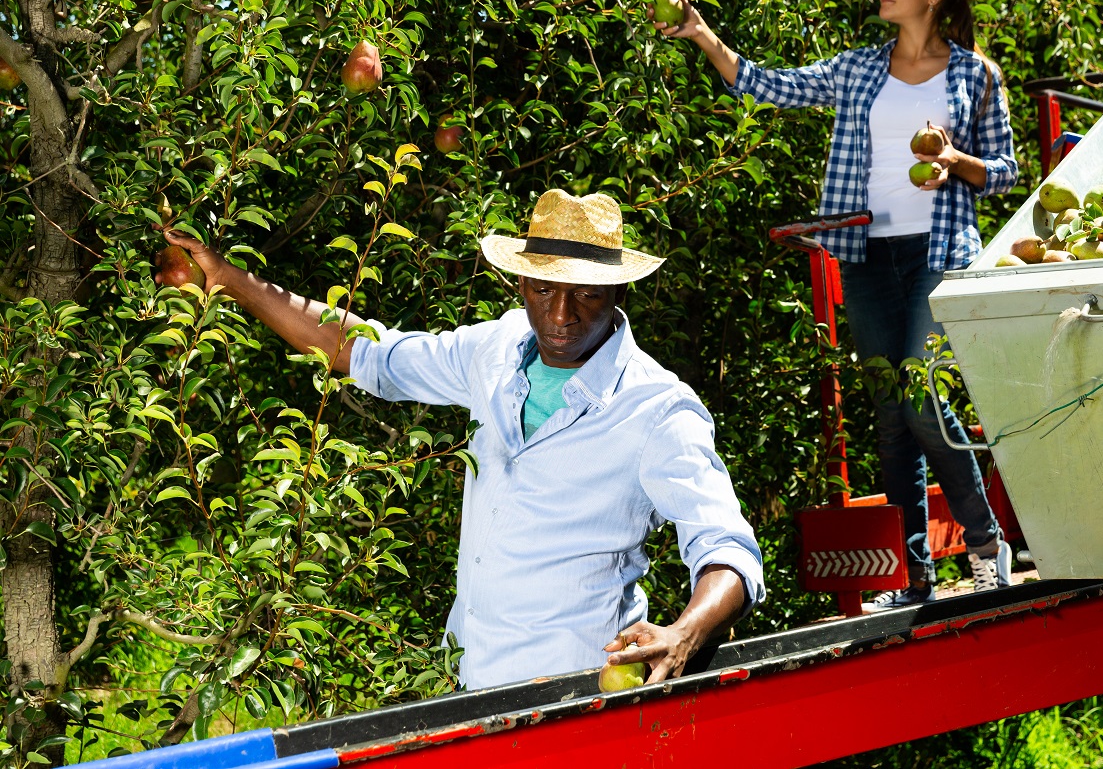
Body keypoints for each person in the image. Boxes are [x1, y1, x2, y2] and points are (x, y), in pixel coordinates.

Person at [159, 189, 764, 690]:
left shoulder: (656, 409)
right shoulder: (495, 352)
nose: (561, 314)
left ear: (617, 294)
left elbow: (728, 549)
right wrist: (230, 279)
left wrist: (686, 630)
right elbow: (364, 352)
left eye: (585, 293)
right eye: (544, 289)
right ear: (520, 283)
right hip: (470, 689)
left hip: (578, 700)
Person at [653, 0, 1017, 610]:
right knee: (889, 412)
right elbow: (768, 85)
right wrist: (703, 35)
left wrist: (955, 162)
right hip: (868, 254)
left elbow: (1004, 171)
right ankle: (914, 578)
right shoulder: (858, 69)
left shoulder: (975, 77)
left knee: (917, 394)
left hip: (941, 255)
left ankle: (984, 541)